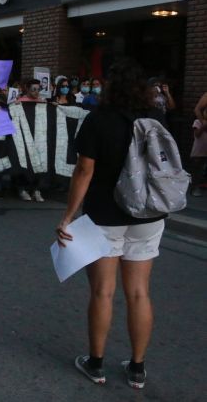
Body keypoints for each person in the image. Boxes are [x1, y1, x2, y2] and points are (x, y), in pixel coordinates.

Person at [56, 59, 166, 390]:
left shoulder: (97, 120)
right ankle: (137, 368)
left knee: (103, 291)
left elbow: (84, 172)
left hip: (105, 214)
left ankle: (97, 363)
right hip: (148, 213)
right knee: (139, 292)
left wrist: (68, 215)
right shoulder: (156, 118)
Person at [191, 91, 207, 197]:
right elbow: (197, 109)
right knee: (198, 165)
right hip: (200, 147)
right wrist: (203, 123)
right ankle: (195, 187)